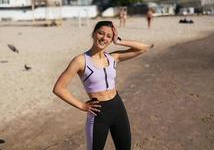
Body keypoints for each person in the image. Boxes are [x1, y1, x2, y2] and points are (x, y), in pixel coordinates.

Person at [53, 21, 153, 150]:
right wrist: (82, 106)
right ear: (94, 34)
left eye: (108, 36)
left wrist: (118, 41)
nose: (104, 38)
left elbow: (144, 48)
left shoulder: (113, 57)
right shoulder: (80, 61)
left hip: (118, 107)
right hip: (98, 112)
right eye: (101, 33)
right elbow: (59, 88)